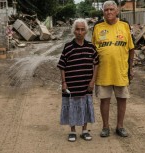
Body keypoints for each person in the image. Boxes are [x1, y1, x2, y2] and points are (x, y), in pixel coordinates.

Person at [92, 0, 135, 137]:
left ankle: (120, 127)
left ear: (117, 11)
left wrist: (131, 68)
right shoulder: (98, 27)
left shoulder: (124, 26)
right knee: (104, 100)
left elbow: (131, 49)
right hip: (103, 72)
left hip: (121, 71)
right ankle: (105, 127)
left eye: (111, 9)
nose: (109, 12)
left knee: (122, 99)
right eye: (106, 10)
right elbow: (92, 51)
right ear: (103, 12)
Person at [57, 18, 99, 142]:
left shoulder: (91, 47)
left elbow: (96, 63)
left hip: (86, 85)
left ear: (86, 31)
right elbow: (62, 66)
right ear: (73, 31)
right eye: (77, 29)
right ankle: (72, 131)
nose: (80, 32)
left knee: (85, 106)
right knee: (72, 107)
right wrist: (64, 83)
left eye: (82, 29)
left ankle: (85, 131)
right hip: (72, 85)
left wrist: (93, 81)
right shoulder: (68, 47)